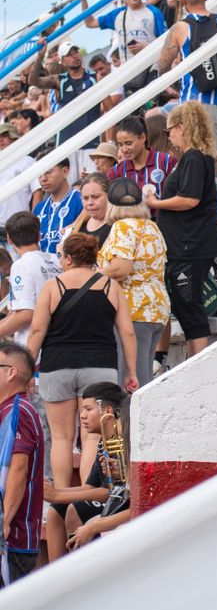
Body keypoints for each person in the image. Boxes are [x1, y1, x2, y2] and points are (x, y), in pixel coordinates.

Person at [26, 233, 138, 493]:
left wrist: (28, 368)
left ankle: (61, 499)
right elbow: (127, 333)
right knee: (92, 438)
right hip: (99, 366)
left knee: (62, 438)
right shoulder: (111, 286)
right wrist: (131, 371)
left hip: (57, 366)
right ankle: (86, 498)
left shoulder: (53, 286)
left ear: (67, 258)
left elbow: (37, 331)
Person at [144, 102, 217, 356]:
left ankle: (197, 363)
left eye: (169, 132)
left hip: (190, 246)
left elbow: (189, 199)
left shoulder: (194, 158)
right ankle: (194, 361)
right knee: (185, 306)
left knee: (190, 307)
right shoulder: (192, 159)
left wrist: (156, 203)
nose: (169, 138)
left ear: (181, 128)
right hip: (185, 245)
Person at [43, 381, 130, 562]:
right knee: (55, 510)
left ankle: (78, 572)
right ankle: (57, 574)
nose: (81, 416)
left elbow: (109, 492)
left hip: (122, 505)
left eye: (88, 409)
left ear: (107, 411)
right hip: (114, 501)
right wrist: (56, 493)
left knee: (74, 509)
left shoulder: (122, 439)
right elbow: (92, 485)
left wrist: (59, 495)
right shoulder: (103, 441)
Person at [158, 0, 217, 166]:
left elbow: (163, 64)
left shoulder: (181, 27)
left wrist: (172, 85)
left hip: (195, 105)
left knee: (196, 161)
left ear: (184, 1)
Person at [100, 179, 170, 387]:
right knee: (143, 378)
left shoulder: (122, 226)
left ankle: (132, 421)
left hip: (133, 310)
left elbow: (120, 269)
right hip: (155, 308)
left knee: (131, 383)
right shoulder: (152, 227)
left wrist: (92, 276)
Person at [0, 342, 44, 586]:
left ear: (10, 372)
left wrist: (3, 524)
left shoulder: (20, 410)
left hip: (12, 540)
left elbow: (17, 470)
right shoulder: (8, 409)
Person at [29, 41, 99, 178]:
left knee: (92, 184)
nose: (75, 56)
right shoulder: (59, 80)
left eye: (76, 52)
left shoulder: (95, 77)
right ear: (62, 61)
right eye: (69, 55)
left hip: (91, 140)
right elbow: (33, 81)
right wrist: (40, 57)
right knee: (70, 185)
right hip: (67, 142)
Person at [0, 212, 61, 347]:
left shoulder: (21, 265)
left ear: (9, 239)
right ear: (39, 235)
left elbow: (25, 315)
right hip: (59, 341)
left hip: (36, 348)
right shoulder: (57, 260)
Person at [79, 0, 166, 71]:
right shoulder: (117, 15)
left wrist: (144, 47)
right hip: (128, 71)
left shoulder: (153, 12)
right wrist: (83, 0)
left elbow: (164, 41)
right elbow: (90, 23)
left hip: (151, 68)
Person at [109, 114, 177, 201]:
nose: (124, 149)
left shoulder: (166, 162)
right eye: (120, 145)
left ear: (142, 137)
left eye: (128, 143)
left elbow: (181, 195)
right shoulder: (117, 171)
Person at [33, 159, 83, 254]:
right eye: (40, 174)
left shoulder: (80, 201)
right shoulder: (39, 209)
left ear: (65, 171)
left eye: (48, 172)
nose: (43, 178)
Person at [0, 124, 42, 231]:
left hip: (18, 224)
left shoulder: (27, 161)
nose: (0, 139)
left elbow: (37, 190)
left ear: (14, 137)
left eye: (4, 135)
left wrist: (33, 218)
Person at [67, 173, 112, 248]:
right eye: (85, 198)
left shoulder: (117, 226)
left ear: (109, 195)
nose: (90, 203)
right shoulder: (79, 224)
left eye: (95, 197)